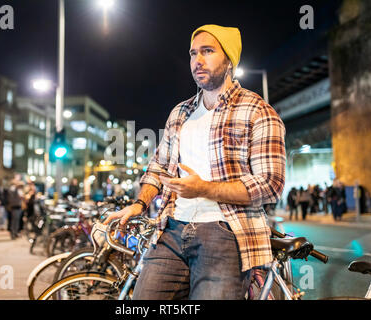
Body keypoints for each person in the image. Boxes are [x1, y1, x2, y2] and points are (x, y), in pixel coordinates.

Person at [105, 25, 286, 300]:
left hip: (226, 233)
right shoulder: (180, 112)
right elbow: (158, 167)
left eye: (208, 51)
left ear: (229, 61)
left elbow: (270, 184)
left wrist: (203, 189)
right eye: (193, 53)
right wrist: (139, 204)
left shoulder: (258, 111)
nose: (197, 60)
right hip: (172, 229)